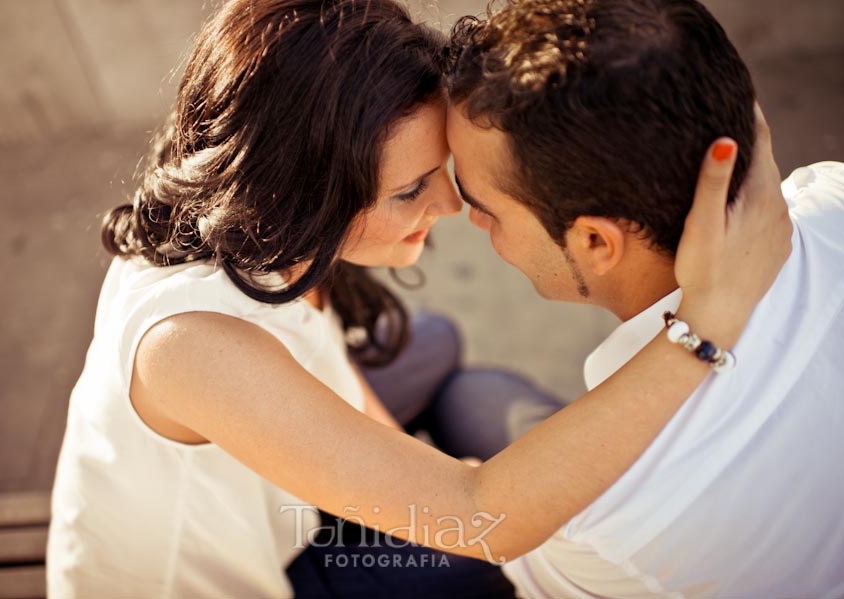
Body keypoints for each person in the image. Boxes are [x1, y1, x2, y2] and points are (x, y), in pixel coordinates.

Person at [44, 0, 791, 597]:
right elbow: (478, 515)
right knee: (516, 526)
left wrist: (403, 467)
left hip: (274, 460)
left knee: (441, 352)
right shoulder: (192, 348)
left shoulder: (261, 228)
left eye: (442, 169)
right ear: (303, 191)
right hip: (275, 564)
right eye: (409, 190)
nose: (454, 205)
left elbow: (327, 350)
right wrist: (703, 326)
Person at [445, 0, 844, 596]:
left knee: (470, 401)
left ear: (595, 242)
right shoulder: (833, 198)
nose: (466, 217)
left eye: (479, 200)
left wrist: (485, 485)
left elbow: (498, 533)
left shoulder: (595, 518)